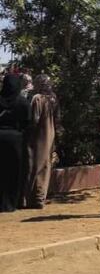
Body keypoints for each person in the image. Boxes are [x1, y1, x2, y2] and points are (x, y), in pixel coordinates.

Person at [23, 75, 60, 209]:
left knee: (33, 166)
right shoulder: (53, 98)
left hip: (38, 136)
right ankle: (40, 197)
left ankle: (30, 198)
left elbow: (34, 120)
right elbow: (57, 120)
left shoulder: (37, 99)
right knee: (45, 166)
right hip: (50, 136)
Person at [0, 75, 31, 212]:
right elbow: (28, 122)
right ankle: (11, 203)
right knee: (14, 172)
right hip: (16, 140)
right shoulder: (22, 102)